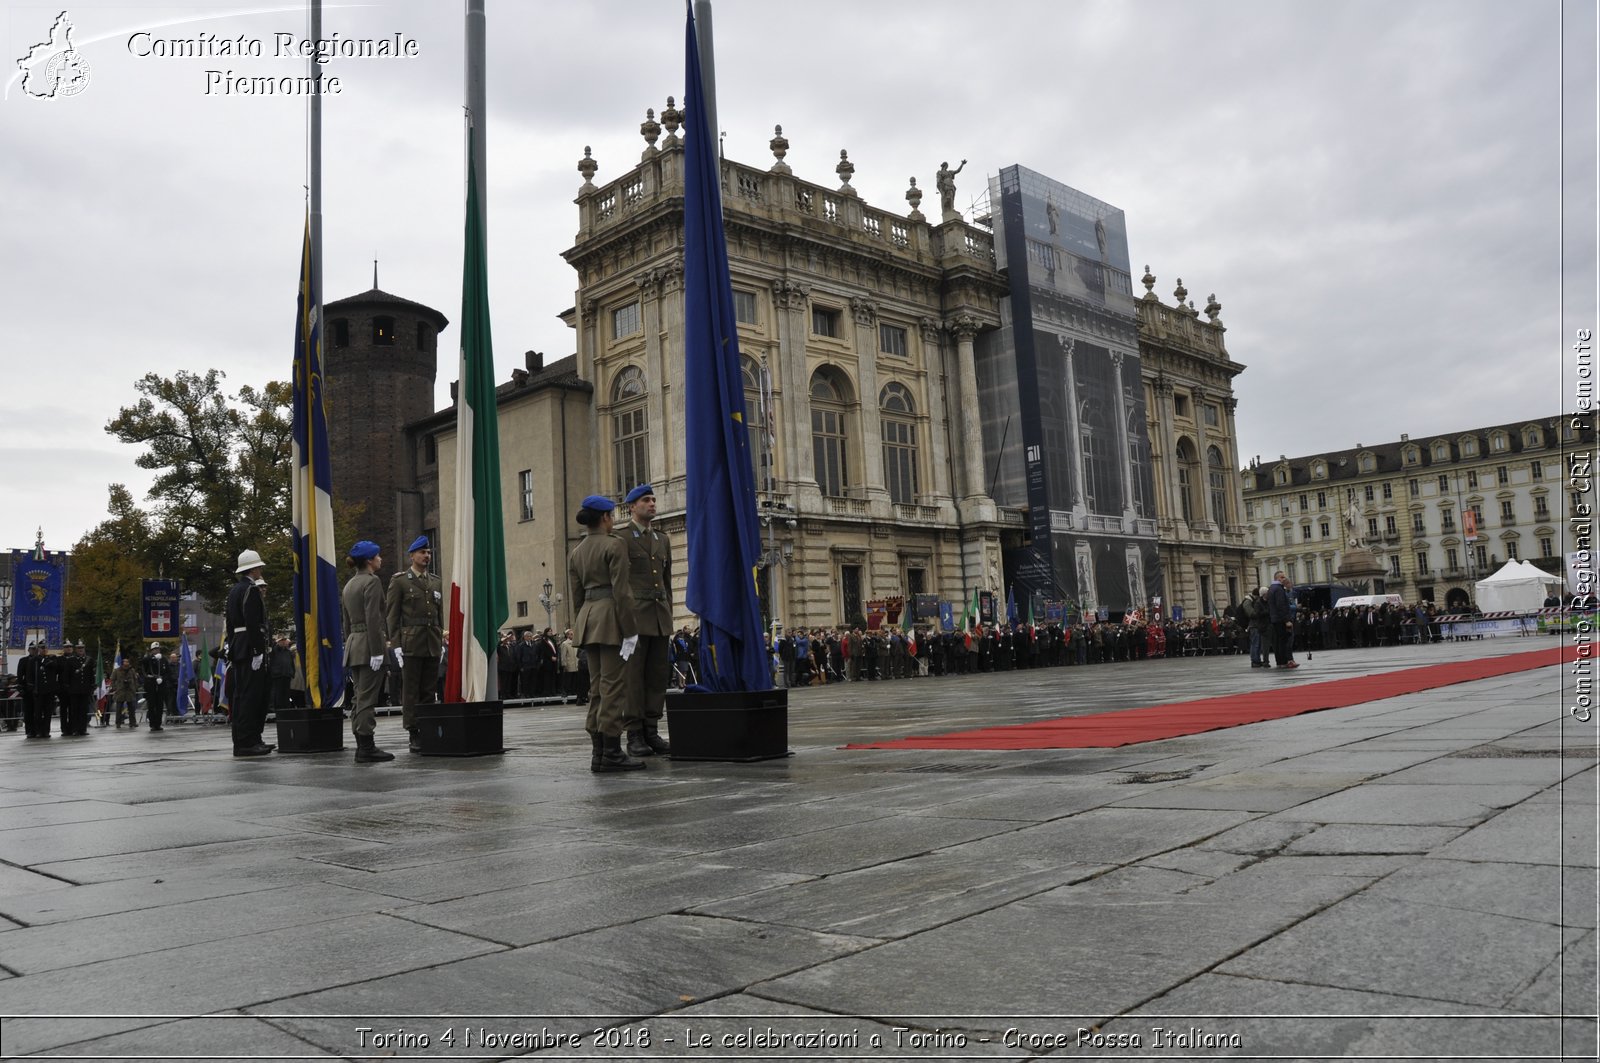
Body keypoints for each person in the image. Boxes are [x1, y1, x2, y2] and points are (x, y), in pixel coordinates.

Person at [569, 493, 643, 773]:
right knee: (613, 687)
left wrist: (582, 625)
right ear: (605, 518)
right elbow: (622, 592)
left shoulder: (577, 551)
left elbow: (577, 598)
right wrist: (630, 630)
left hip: (589, 620)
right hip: (611, 619)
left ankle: (599, 753)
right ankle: (611, 752)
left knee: (597, 688)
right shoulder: (615, 545)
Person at [619, 484, 673, 757]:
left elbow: (666, 582)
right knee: (633, 679)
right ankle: (635, 734)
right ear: (632, 507)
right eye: (645, 500)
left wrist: (668, 614)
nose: (652, 504)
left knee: (656, 677)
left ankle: (652, 729)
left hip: (659, 617)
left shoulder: (662, 539)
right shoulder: (621, 538)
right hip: (635, 619)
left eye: (653, 499)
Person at [385, 535, 444, 752]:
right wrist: (396, 643)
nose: (426, 556)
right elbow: (392, 615)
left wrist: (441, 637)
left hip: (431, 641)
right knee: (411, 689)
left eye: (428, 553)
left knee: (429, 688)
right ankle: (413, 731)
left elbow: (439, 614)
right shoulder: (400, 581)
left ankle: (427, 727)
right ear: (412, 556)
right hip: (410, 642)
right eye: (422, 553)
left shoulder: (436, 581)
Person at [342, 539, 394, 762]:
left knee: (358, 697)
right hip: (369, 645)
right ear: (370, 561)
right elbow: (374, 619)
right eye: (378, 556)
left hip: (355, 643)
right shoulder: (371, 582)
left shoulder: (349, 584)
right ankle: (366, 746)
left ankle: (361, 743)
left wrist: (351, 644)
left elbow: (346, 622)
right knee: (367, 698)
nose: (381, 559)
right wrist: (377, 650)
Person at [226, 549, 274, 757]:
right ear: (253, 568)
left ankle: (248, 739)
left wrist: (232, 646)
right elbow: (253, 623)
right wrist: (257, 651)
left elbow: (230, 624)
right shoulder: (251, 590)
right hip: (249, 646)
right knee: (250, 696)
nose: (261, 569)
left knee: (242, 695)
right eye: (259, 567)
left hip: (239, 645)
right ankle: (247, 742)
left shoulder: (235, 590)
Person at [1266, 570, 1299, 669]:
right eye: (1282, 577)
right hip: (1281, 619)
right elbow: (1281, 606)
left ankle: (1280, 662)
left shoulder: (1271, 588)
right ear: (1277, 578)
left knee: (1279, 641)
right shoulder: (1278, 589)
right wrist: (1287, 620)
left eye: (1284, 577)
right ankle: (1285, 661)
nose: (1284, 579)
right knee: (1284, 641)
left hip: (1275, 619)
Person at [140, 643, 168, 731]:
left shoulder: (163, 659)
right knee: (151, 705)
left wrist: (162, 678)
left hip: (160, 685)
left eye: (158, 649)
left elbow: (168, 671)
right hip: (150, 684)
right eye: (155, 649)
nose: (157, 651)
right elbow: (143, 665)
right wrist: (152, 657)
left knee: (159, 705)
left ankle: (158, 724)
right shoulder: (148, 659)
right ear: (152, 651)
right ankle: (152, 724)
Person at [1241, 587, 1269, 668]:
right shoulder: (1248, 601)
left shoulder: (1252, 601)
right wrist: (1259, 613)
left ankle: (1257, 660)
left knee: (1258, 643)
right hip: (1254, 625)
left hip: (1257, 625)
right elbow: (1251, 613)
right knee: (1255, 644)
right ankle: (1255, 660)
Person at [267, 635, 296, 711]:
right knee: (278, 693)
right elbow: (271, 649)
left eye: (284, 640)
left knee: (286, 693)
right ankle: (278, 708)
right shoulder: (274, 651)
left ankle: (286, 707)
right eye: (282, 641)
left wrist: (292, 672)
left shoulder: (288, 652)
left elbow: (291, 663)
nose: (284, 642)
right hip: (278, 674)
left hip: (287, 674)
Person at [111, 655, 139, 728]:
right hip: (120, 691)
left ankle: (132, 722)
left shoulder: (132, 670)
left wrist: (135, 687)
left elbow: (135, 679)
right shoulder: (117, 670)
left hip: (130, 691)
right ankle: (118, 723)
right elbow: (113, 680)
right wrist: (115, 688)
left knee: (132, 708)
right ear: (122, 663)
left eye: (127, 662)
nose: (126, 663)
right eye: (125, 662)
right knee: (119, 708)